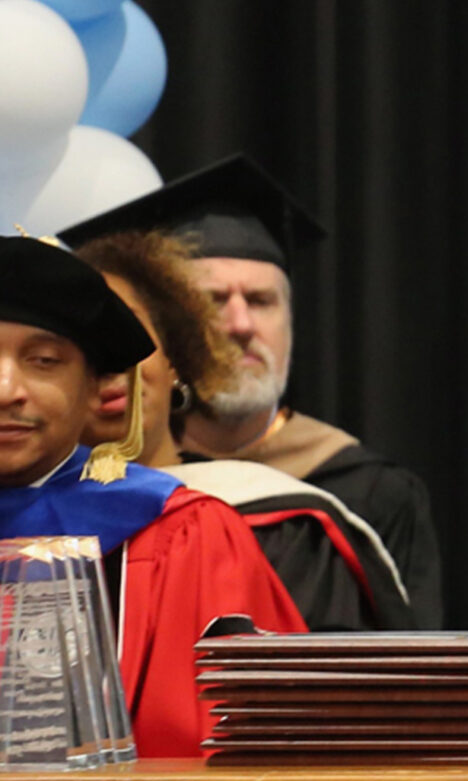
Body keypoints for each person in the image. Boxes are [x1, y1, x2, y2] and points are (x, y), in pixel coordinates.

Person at [60, 155, 444, 627]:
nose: (239, 325)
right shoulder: (66, 497)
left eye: (261, 301)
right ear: (180, 334)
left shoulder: (363, 494)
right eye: (212, 301)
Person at [0, 236, 307, 758]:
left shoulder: (184, 537)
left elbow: (262, 764)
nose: (6, 389)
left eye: (45, 360)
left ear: (99, 389)